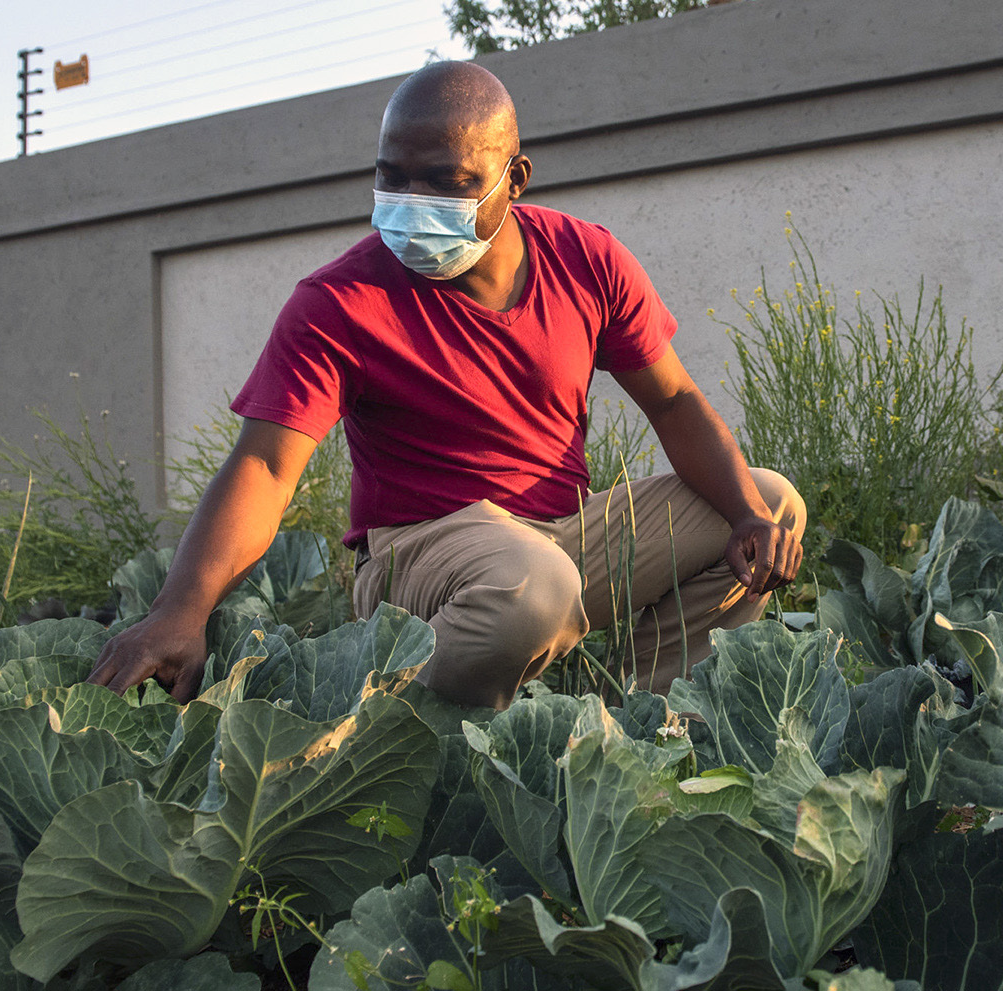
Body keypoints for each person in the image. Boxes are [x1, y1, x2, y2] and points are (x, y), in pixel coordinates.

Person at [85, 61, 805, 709]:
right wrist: (180, 610)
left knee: (768, 502)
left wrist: (743, 513)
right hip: (419, 554)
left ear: (514, 179)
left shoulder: (586, 260)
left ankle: (640, 718)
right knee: (533, 587)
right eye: (391, 175)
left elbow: (674, 401)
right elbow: (265, 467)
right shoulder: (340, 302)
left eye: (446, 182)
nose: (409, 200)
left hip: (562, 535)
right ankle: (383, 718)